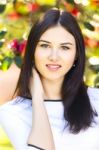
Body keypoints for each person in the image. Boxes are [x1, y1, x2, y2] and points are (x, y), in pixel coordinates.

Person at [0, 8, 99, 150]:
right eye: (45, 45)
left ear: (76, 54)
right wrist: (37, 98)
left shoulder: (96, 100)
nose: (54, 56)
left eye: (65, 48)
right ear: (33, 50)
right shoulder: (13, 112)